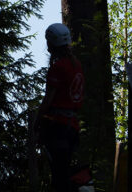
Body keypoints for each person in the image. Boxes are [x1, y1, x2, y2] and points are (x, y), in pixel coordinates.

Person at [34, 23, 85, 192]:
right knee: (65, 172)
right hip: (73, 127)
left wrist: (37, 122)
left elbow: (48, 100)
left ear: (51, 44)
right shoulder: (76, 65)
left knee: (58, 175)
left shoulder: (58, 68)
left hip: (58, 127)